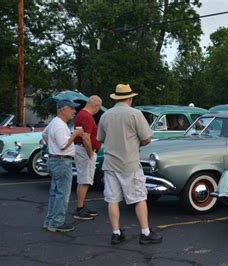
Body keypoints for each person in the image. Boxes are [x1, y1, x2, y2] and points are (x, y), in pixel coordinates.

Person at [97, 84, 163, 245]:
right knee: (139, 198)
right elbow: (147, 138)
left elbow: (100, 138)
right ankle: (145, 233)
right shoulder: (135, 114)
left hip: (110, 163)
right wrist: (136, 143)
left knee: (112, 199)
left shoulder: (106, 115)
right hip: (129, 163)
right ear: (130, 98)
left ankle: (116, 233)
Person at [42, 99, 84, 232]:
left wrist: (51, 147)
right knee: (62, 194)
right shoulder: (60, 125)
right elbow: (63, 145)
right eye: (72, 108)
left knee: (55, 193)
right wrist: (75, 134)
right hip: (61, 161)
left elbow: (44, 134)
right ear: (63, 109)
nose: (74, 111)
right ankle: (57, 222)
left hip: (54, 160)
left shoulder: (54, 122)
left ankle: (50, 221)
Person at [73, 95, 103, 221]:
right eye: (99, 107)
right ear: (96, 105)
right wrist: (91, 153)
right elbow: (86, 137)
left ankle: (82, 206)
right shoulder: (86, 117)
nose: (98, 110)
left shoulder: (81, 114)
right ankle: (80, 208)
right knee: (85, 180)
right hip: (85, 151)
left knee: (83, 179)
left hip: (81, 150)